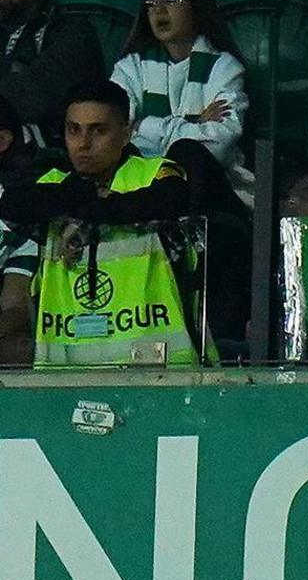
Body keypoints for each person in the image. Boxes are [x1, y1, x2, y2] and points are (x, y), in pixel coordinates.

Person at [8, 82, 207, 369]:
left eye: (98, 130)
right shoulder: (55, 184)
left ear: (126, 133)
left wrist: (87, 212)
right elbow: (14, 205)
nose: (83, 144)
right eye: (73, 129)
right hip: (67, 368)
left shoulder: (153, 173)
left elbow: (169, 199)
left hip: (155, 363)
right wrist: (86, 195)